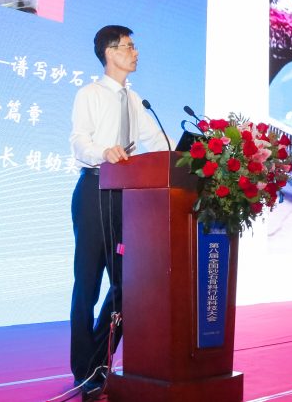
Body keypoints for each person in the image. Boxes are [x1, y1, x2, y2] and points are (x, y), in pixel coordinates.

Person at [68, 25, 168, 400]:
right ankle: (84, 371)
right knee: (88, 285)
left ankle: (99, 361)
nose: (135, 52)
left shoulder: (135, 99)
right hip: (95, 190)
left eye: (134, 46)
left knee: (128, 285)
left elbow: (157, 142)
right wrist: (103, 152)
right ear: (109, 53)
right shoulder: (90, 94)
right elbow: (79, 140)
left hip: (126, 196)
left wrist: (185, 157)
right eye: (128, 46)